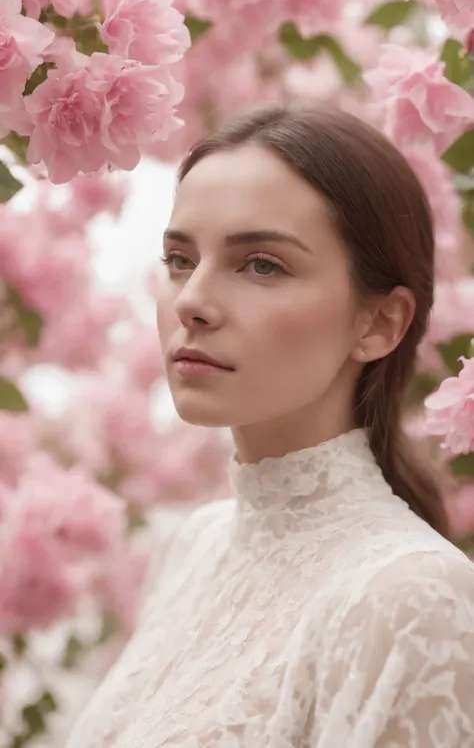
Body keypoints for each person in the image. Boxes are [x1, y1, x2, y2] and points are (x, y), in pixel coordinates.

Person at [66, 104, 474, 748]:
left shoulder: (414, 600)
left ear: (380, 324)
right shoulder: (193, 548)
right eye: (179, 259)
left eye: (261, 264)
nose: (192, 301)